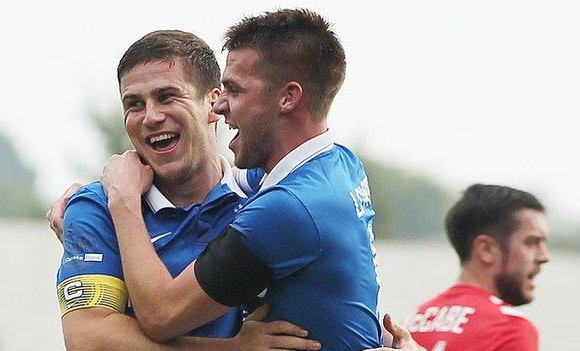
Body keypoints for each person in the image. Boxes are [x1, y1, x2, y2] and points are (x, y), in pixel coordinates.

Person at [96, 9, 385, 351]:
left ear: (288, 98)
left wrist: (123, 201)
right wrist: (76, 198)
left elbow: (161, 315)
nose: (220, 108)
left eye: (234, 90)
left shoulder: (288, 209)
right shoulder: (339, 164)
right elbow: (237, 180)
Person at [53, 29, 321, 351]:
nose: (151, 116)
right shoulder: (98, 207)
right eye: (134, 104)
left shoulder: (270, 198)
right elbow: (89, 339)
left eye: (167, 97)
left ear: (213, 103)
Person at [404, 184, 550, 351]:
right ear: (487, 249)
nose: (544, 257)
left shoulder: (411, 321)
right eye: (532, 242)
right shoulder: (511, 329)